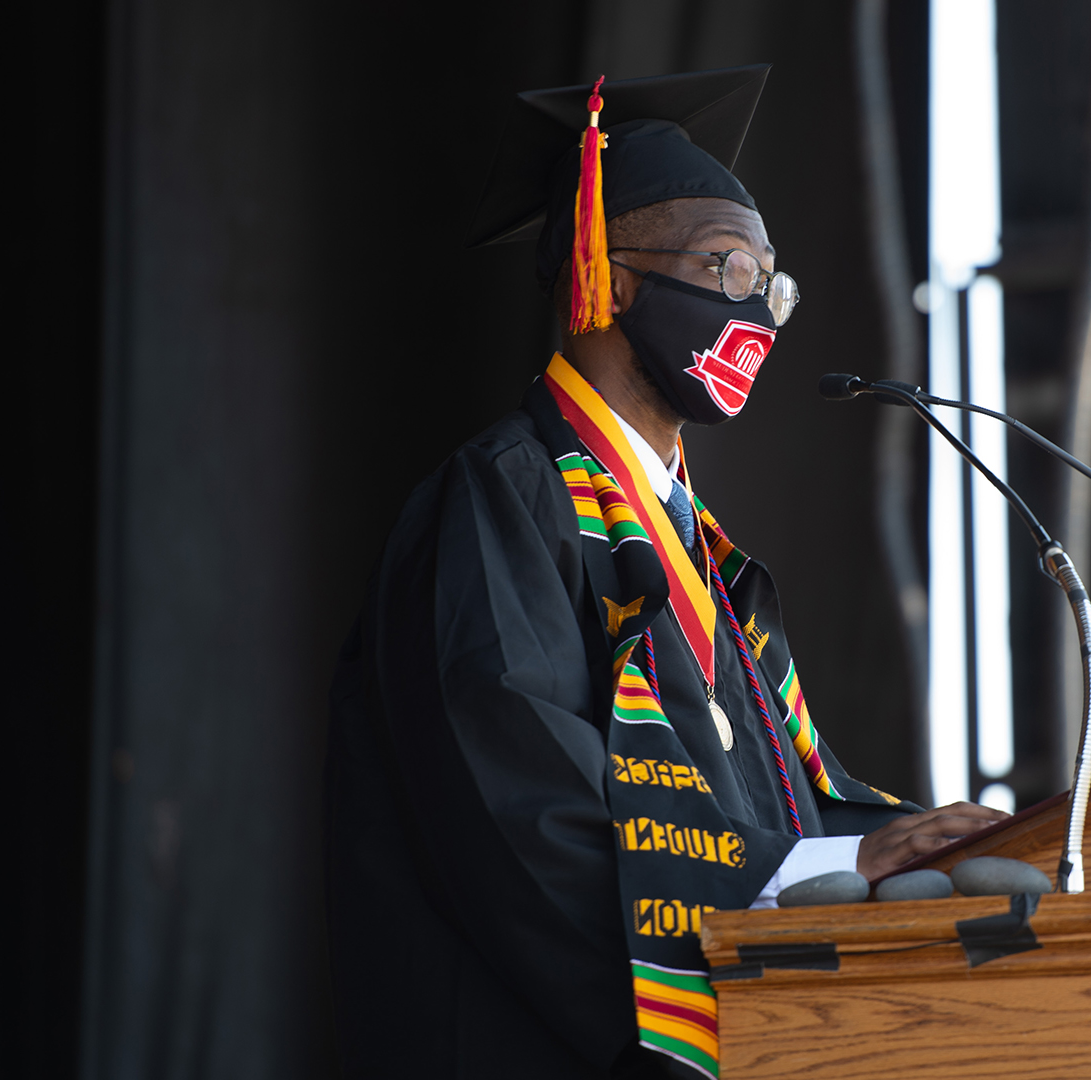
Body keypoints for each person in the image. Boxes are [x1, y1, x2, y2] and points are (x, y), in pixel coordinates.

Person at [324, 65, 1006, 1080]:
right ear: (607, 275)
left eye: (771, 281)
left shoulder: (702, 554)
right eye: (724, 269)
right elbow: (523, 824)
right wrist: (820, 872)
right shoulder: (504, 501)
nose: (762, 313)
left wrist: (924, 848)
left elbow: (779, 806)